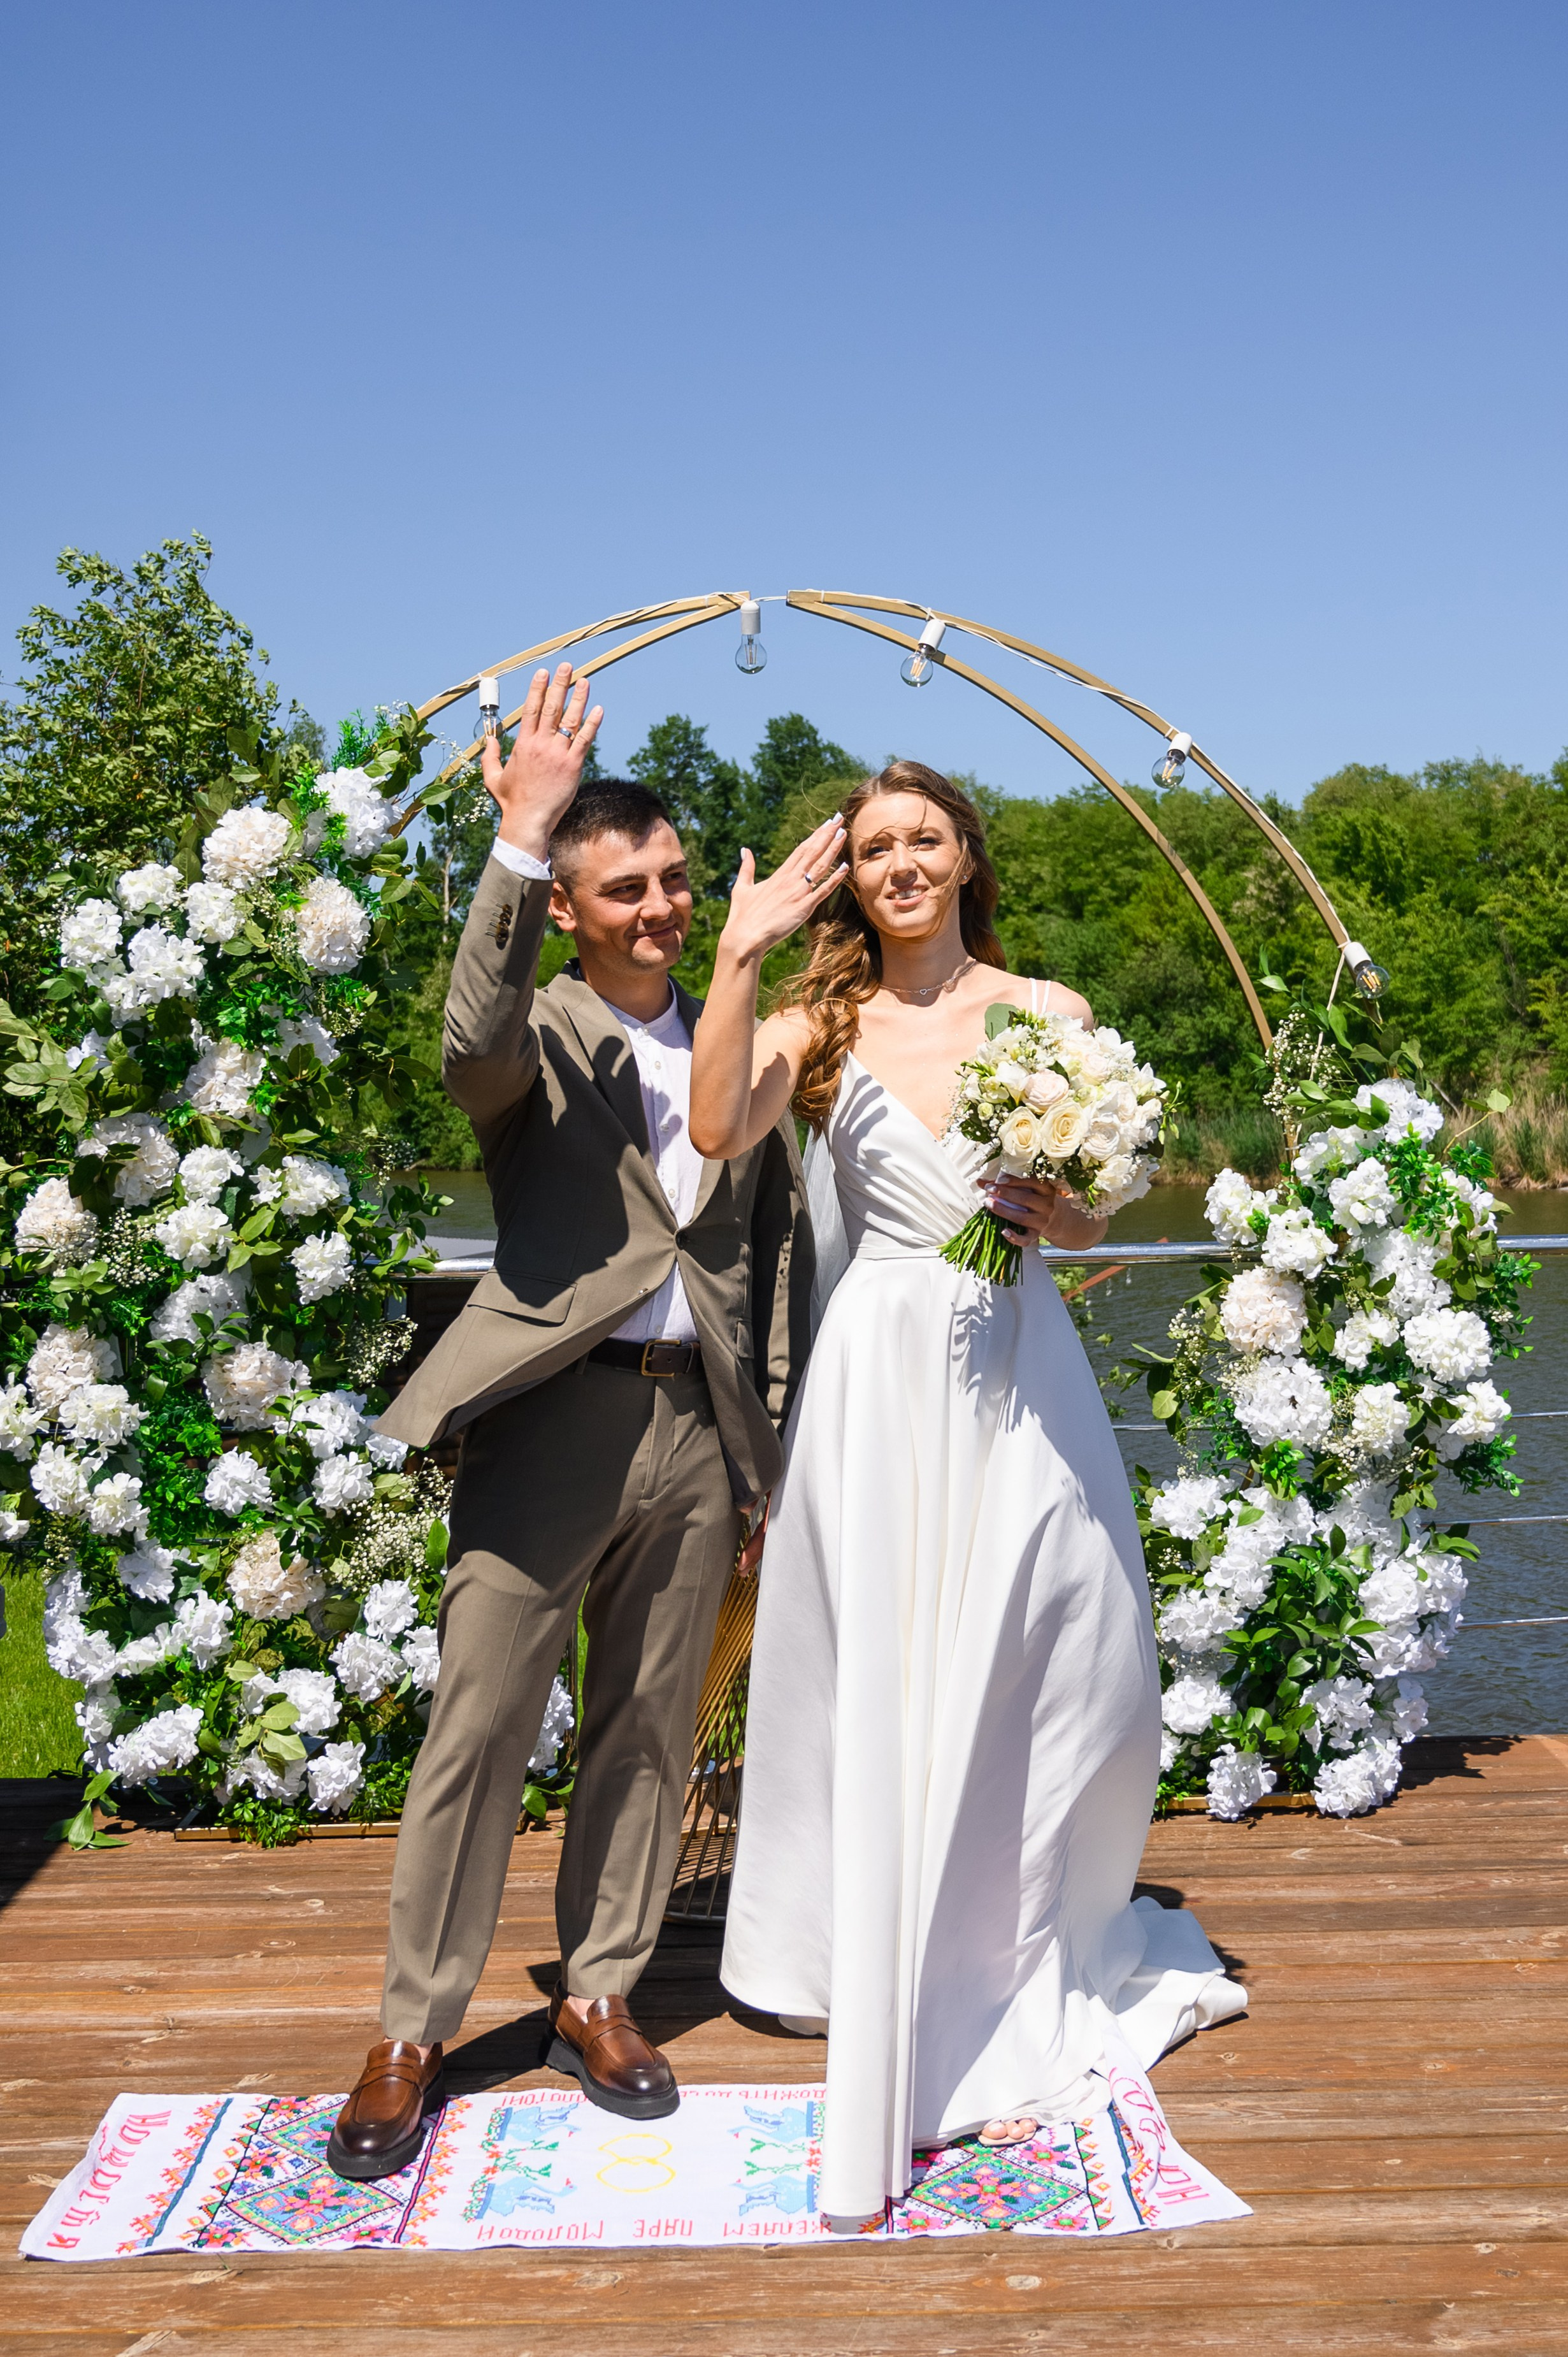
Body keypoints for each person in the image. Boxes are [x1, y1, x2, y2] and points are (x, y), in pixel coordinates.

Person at [689, 760, 1243, 2230]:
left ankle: (1007, 1942)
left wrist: (1064, 1210)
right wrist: (741, 953)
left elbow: (1101, 1202)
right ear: (852, 877)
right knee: (882, 1658)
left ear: (965, 855)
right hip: (877, 1377)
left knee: (1071, 1649)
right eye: (874, 848)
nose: (900, 863)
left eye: (923, 837)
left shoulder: (1046, 1015)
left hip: (1014, 1355)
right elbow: (713, 1129)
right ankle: (857, 1953)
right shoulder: (820, 1022)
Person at [327, 663, 813, 2184]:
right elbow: (462, 1033)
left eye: (673, 876)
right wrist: (522, 837)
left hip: (696, 1431)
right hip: (551, 1423)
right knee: (473, 1732)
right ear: (576, 907)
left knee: (650, 1732)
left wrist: (767, 1454)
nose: (660, 905)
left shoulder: (745, 1038)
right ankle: (413, 2028)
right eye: (626, 888)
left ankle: (597, 1993)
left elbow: (771, 1258)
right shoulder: (532, 1035)